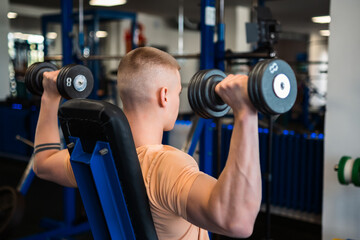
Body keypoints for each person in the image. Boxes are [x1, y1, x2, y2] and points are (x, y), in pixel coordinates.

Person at [33, 47, 261, 239]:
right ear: (164, 96)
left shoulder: (97, 155)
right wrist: (246, 113)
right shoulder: (166, 165)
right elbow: (237, 221)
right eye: (178, 93)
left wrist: (50, 96)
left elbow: (43, 162)